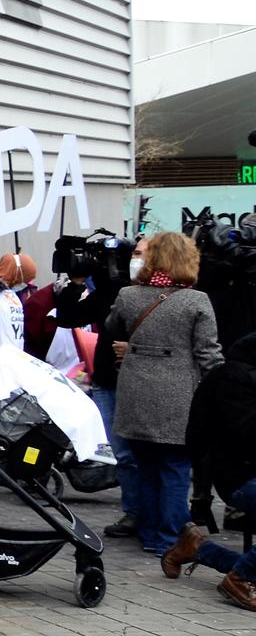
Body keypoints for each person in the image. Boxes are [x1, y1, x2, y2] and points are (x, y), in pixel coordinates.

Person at [105, 232, 222, 556]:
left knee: (146, 467)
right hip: (178, 396)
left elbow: (112, 326)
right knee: (175, 469)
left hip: (136, 393)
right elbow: (208, 354)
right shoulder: (197, 301)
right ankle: (170, 538)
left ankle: (149, 532)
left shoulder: (129, 295)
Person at [162, 330, 256, 609]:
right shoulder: (233, 379)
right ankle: (239, 579)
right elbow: (245, 434)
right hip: (239, 475)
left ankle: (199, 548)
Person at [54, 243, 142, 537]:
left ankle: (155, 513)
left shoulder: (150, 293)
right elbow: (68, 318)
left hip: (142, 380)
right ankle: (133, 512)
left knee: (145, 453)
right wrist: (75, 281)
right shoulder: (104, 293)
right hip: (106, 379)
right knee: (122, 453)